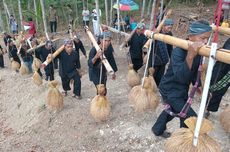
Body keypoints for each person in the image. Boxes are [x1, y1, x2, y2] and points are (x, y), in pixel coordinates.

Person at [152, 20, 212, 138]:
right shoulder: (178, 51)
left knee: (174, 110)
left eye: (207, 39)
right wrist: (190, 56)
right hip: (170, 89)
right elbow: (181, 77)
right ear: (191, 36)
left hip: (181, 89)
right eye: (202, 38)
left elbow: (196, 71)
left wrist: (198, 85)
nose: (205, 42)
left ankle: (157, 129)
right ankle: (182, 140)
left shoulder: (199, 52)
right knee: (190, 117)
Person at [205, 38, 230, 118]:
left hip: (228, 71)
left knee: (221, 89)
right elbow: (226, 48)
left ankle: (209, 108)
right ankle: (205, 105)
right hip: (221, 63)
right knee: (212, 81)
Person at [88, 31, 117, 95]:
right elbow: (89, 63)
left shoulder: (109, 49)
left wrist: (113, 72)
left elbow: (111, 60)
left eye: (109, 41)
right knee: (101, 91)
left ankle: (101, 101)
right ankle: (99, 103)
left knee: (104, 89)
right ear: (101, 40)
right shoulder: (94, 50)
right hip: (95, 73)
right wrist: (96, 57)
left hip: (103, 72)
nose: (107, 43)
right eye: (105, 40)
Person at [152, 19, 174, 86]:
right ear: (163, 26)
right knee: (152, 75)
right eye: (168, 27)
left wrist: (171, 59)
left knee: (160, 76)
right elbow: (151, 46)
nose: (169, 29)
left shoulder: (170, 34)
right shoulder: (157, 33)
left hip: (164, 58)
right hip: (155, 58)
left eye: (171, 28)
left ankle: (157, 86)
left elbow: (170, 48)